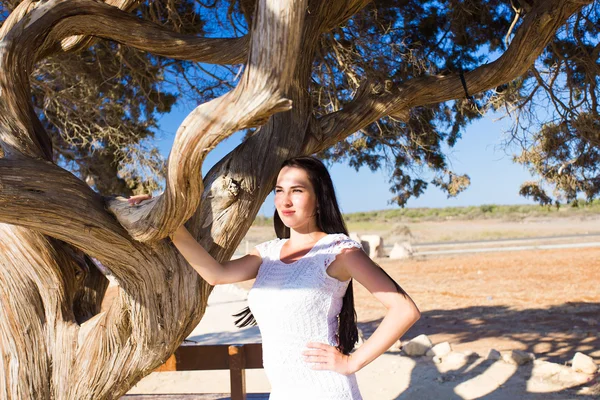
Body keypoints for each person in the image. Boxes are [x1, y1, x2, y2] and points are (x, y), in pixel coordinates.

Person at [128, 156, 421, 400]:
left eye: (297, 190)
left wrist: (351, 362)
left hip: (325, 390)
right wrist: (168, 220)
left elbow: (404, 310)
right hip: (282, 392)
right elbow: (215, 274)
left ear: (319, 198)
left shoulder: (339, 251)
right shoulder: (268, 253)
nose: (285, 200)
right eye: (279, 190)